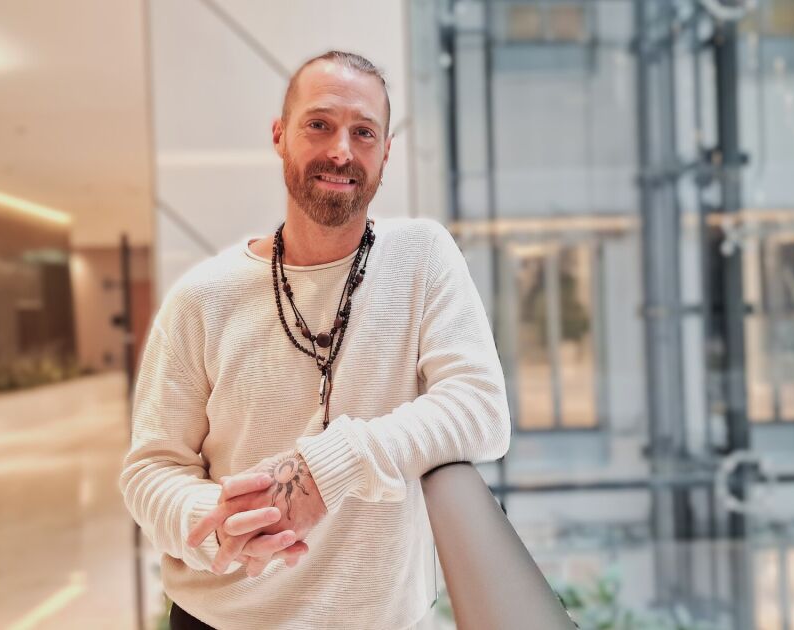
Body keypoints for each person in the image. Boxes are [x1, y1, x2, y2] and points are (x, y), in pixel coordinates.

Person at [119, 50, 511, 629]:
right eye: (319, 124)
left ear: (386, 151)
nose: (341, 151)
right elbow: (151, 469)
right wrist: (222, 521)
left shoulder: (423, 257)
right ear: (280, 135)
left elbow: (481, 408)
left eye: (363, 132)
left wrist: (325, 470)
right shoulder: (202, 298)